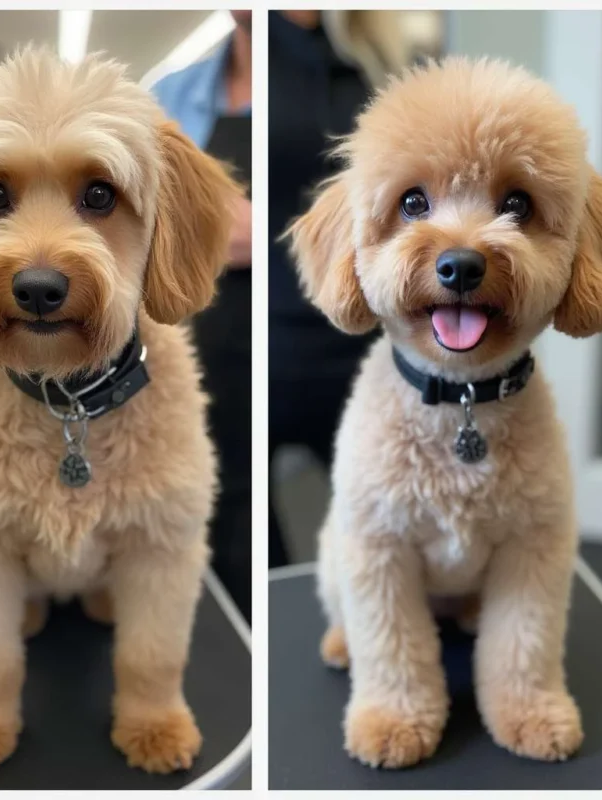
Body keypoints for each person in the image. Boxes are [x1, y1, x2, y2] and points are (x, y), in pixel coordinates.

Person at [268, 11, 407, 567]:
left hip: (363, 341)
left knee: (381, 518)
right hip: (267, 340)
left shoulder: (370, 56)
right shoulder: (249, 56)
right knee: (249, 526)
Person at [152, 10, 252, 621]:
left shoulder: (343, 87)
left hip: (292, 354)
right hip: (192, 353)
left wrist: (262, 234)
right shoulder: (170, 94)